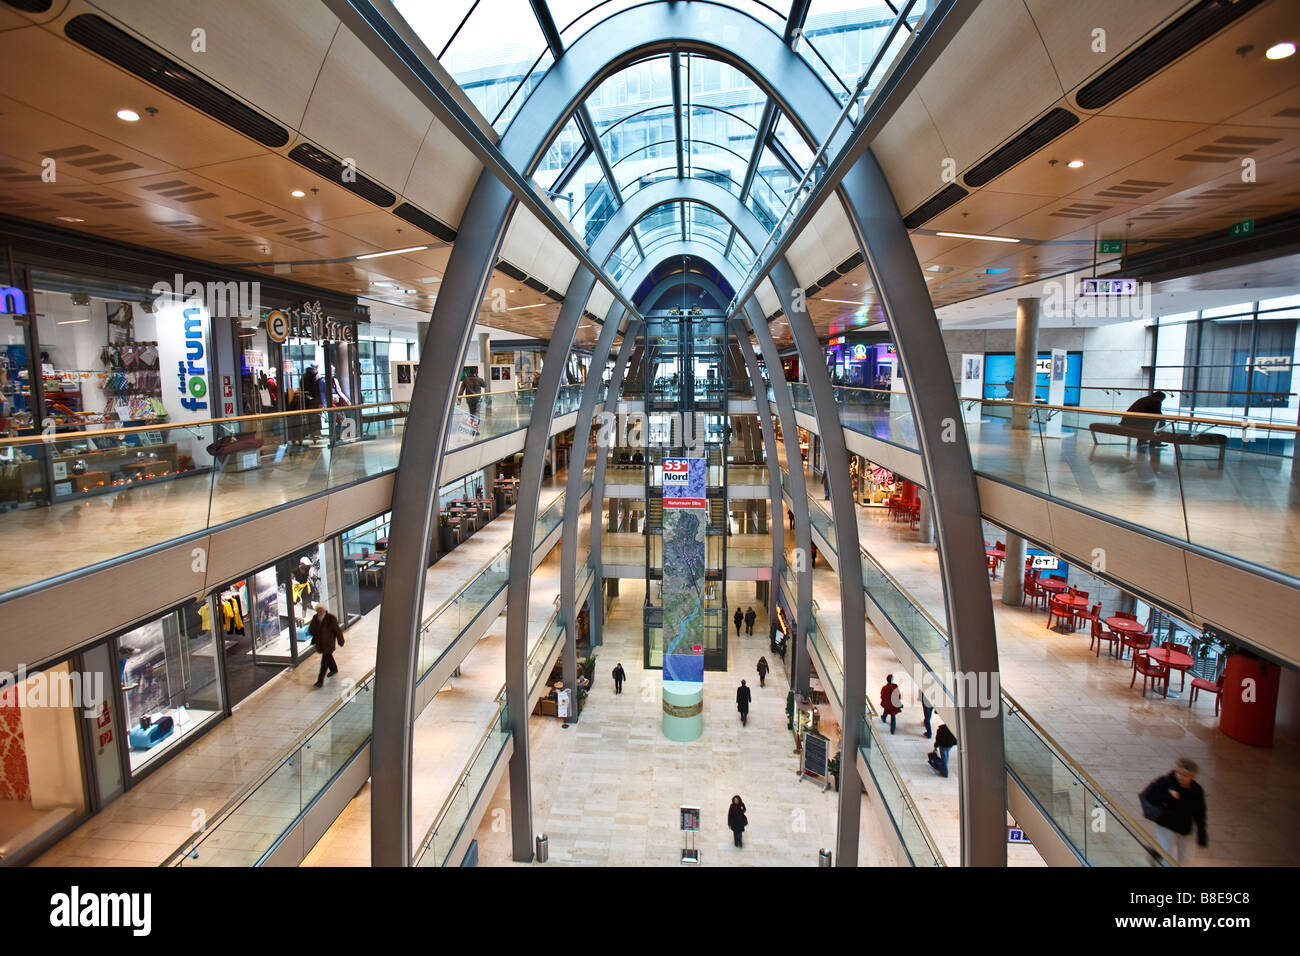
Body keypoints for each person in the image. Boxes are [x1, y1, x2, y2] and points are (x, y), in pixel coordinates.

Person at [1140, 757, 1207, 864]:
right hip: (1167, 825)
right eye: (1178, 773)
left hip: (1185, 828)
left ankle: (1156, 853)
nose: (1179, 777)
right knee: (1169, 858)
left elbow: (1200, 812)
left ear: (1192, 776)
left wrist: (1202, 834)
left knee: (1184, 860)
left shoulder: (1196, 790)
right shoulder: (1166, 782)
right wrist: (1168, 796)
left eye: (1184, 775)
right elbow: (1149, 796)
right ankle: (1159, 854)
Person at [308, 602, 343, 688]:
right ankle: (334, 669)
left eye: (321, 611)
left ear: (324, 610)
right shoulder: (315, 618)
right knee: (328, 657)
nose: (319, 612)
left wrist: (340, 640)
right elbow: (311, 630)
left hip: (328, 643)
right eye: (318, 611)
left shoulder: (331, 619)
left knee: (324, 662)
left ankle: (320, 681)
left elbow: (337, 630)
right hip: (320, 643)